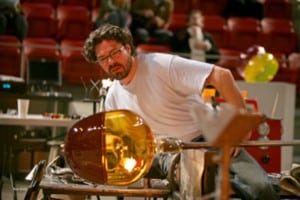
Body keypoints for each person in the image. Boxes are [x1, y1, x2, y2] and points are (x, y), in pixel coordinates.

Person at [82, 24, 279, 200]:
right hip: (166, 154)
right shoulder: (113, 98)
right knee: (199, 185)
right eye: (103, 58)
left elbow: (221, 75)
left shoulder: (160, 65)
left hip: (209, 139)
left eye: (115, 53)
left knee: (261, 188)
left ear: (127, 47)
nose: (111, 61)